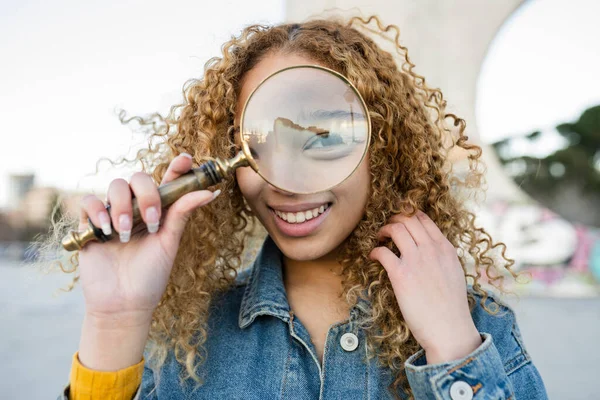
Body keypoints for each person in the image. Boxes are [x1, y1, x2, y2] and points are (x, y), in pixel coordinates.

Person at [51, 14, 548, 400]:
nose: (285, 181)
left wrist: (453, 352)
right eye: (261, 143)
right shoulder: (191, 340)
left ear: (386, 149)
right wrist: (113, 323)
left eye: (327, 136)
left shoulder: (475, 326)